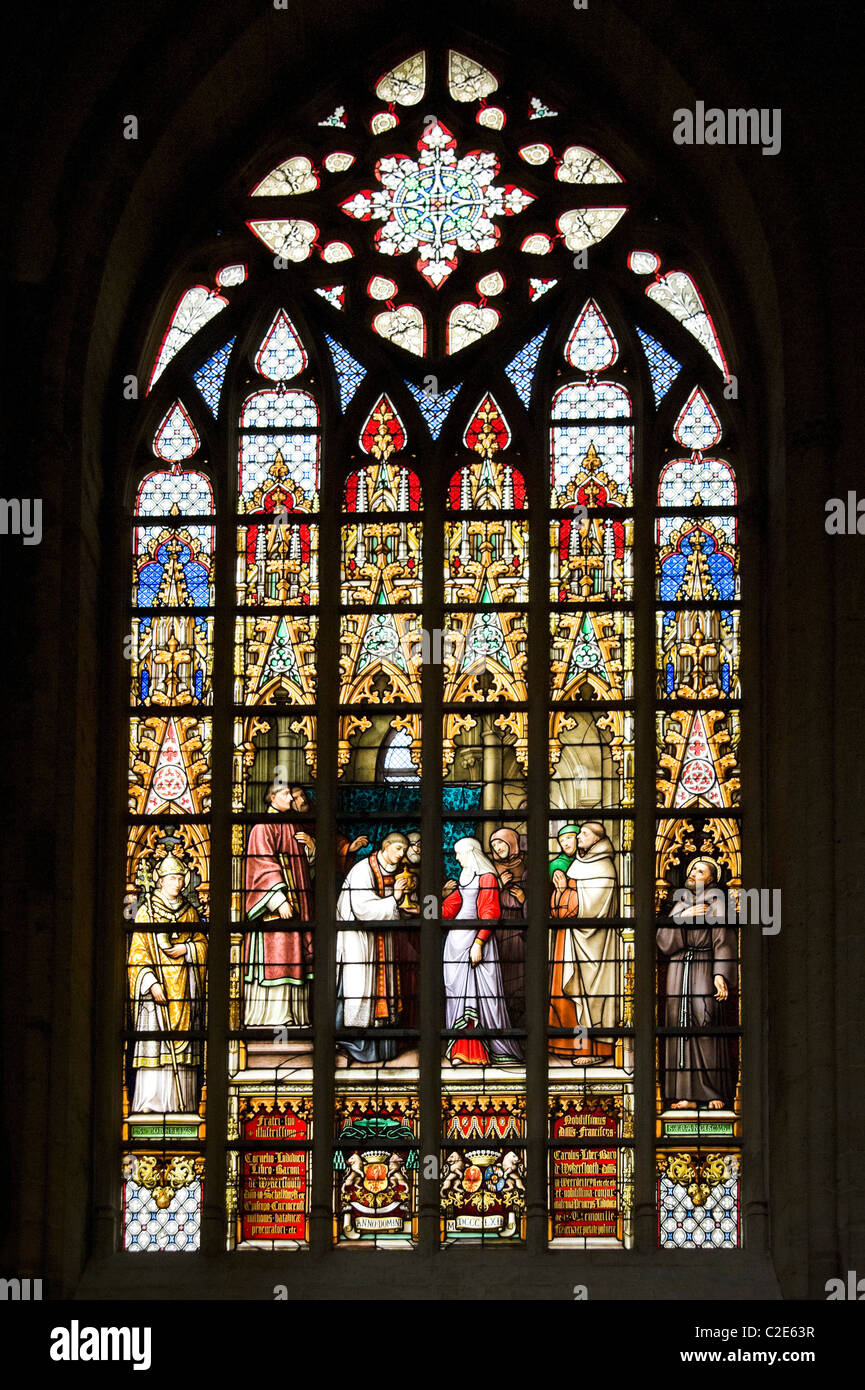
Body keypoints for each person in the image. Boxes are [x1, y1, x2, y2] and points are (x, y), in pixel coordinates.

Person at [128, 854, 207, 1114]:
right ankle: (150, 1105)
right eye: (173, 877)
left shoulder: (190, 912)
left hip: (185, 990)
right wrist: (151, 984)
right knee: (154, 1050)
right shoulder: (147, 912)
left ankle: (181, 1106)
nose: (179, 882)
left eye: (181, 877)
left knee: (184, 1057)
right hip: (156, 996)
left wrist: (185, 949)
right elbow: (138, 954)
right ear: (160, 881)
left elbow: (203, 946)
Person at [657, 858, 735, 1109]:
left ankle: (713, 1091)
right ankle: (686, 1095)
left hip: (703, 965)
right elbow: (662, 940)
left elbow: (723, 939)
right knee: (677, 1025)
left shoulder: (717, 902)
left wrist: (720, 974)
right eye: (691, 870)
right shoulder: (681, 904)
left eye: (699, 871)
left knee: (705, 1021)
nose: (692, 873)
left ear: (711, 879)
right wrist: (684, 916)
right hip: (678, 968)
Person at [442, 837, 522, 1066]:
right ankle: (459, 1049)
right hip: (456, 946)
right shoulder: (465, 876)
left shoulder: (487, 878)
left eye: (459, 853)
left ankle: (478, 1052)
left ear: (471, 852)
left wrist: (479, 943)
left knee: (479, 995)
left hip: (475, 944)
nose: (456, 858)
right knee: (458, 995)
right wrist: (426, 910)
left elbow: (490, 912)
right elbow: (451, 907)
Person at [243, 781, 314, 1028]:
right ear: (272, 797)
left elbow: (300, 866)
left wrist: (312, 851)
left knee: (294, 956)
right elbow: (261, 864)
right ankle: (274, 1019)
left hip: (298, 904)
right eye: (286, 794)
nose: (292, 799)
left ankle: (295, 1016)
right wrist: (278, 899)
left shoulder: (291, 824)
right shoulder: (263, 826)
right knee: (279, 957)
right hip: (276, 910)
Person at [548, 821, 620, 1063]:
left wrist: (567, 887)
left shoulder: (604, 866)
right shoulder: (580, 862)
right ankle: (568, 1045)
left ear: (597, 839)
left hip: (592, 944)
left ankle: (591, 1050)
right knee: (564, 995)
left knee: (587, 998)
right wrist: (562, 888)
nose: (578, 838)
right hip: (568, 937)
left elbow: (594, 906)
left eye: (584, 834)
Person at [336, 832, 408, 1064]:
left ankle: (381, 1048)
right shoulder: (362, 870)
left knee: (379, 987)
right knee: (357, 988)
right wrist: (395, 898)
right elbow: (362, 908)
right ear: (386, 847)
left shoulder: (391, 871)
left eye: (404, 851)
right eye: (398, 849)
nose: (401, 854)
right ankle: (352, 1044)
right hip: (358, 939)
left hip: (379, 939)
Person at [489, 827, 527, 1026]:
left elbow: (542, 900)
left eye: (501, 843)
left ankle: (520, 1025)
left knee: (521, 977)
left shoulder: (528, 866)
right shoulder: (490, 869)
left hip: (521, 929)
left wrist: (524, 900)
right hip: (498, 928)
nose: (497, 848)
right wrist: (498, 884)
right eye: (494, 845)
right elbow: (482, 901)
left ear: (512, 843)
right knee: (500, 977)